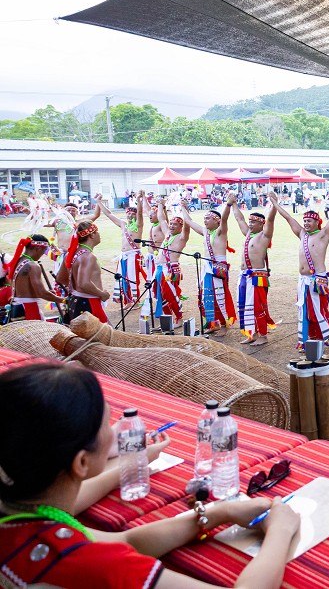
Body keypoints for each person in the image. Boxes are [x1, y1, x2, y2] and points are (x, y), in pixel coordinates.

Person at [0, 362, 300, 589]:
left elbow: (126, 539)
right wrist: (280, 531)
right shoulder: (90, 563)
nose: (116, 429)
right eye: (106, 424)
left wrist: (219, 511)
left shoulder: (17, 512)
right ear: (81, 462)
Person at [269, 194, 329, 351]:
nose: (306, 223)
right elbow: (288, 218)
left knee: (317, 310)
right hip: (303, 280)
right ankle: (306, 340)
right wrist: (275, 204)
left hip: (317, 280)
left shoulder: (323, 234)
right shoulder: (302, 234)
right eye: (304, 221)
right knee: (304, 311)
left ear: (317, 222)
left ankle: (320, 340)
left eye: (309, 221)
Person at [182, 194, 238, 336]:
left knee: (220, 296)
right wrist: (183, 207)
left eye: (208, 218)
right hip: (207, 268)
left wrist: (229, 204)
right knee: (206, 296)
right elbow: (188, 220)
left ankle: (225, 325)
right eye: (204, 218)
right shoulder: (205, 231)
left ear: (216, 221)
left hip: (217, 267)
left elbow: (225, 218)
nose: (205, 221)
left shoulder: (220, 231)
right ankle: (213, 323)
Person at [231, 199, 277, 346]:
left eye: (253, 222)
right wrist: (233, 204)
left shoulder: (264, 236)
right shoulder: (248, 234)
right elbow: (239, 218)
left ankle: (263, 335)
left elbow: (270, 220)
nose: (250, 224)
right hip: (244, 276)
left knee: (258, 306)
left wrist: (274, 204)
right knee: (244, 306)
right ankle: (253, 334)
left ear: (261, 224)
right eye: (249, 221)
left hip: (257, 276)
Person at [96, 191, 146, 309]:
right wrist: (98, 202)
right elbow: (109, 214)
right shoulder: (123, 224)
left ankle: (135, 301)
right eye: (128, 214)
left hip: (133, 255)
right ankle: (128, 301)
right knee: (123, 278)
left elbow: (140, 214)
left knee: (132, 278)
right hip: (123, 255)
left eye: (132, 214)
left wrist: (138, 200)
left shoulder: (138, 225)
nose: (130, 216)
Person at [55, 220, 110, 323]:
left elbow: (60, 278)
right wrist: (102, 294)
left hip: (75, 301)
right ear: (92, 235)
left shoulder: (70, 254)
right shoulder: (88, 256)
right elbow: (84, 283)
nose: (99, 234)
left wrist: (76, 289)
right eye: (97, 232)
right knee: (98, 337)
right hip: (89, 303)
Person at [148, 198, 189, 325]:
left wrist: (184, 208)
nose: (171, 226)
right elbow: (161, 219)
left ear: (180, 227)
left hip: (170, 269)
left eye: (175, 224)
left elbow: (187, 225)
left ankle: (179, 317)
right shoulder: (167, 234)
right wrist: (160, 204)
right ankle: (167, 317)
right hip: (159, 268)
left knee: (170, 294)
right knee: (159, 293)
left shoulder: (181, 238)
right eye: (171, 224)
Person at [6, 234, 64, 320]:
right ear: (37, 249)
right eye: (43, 251)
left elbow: (24, 287)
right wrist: (63, 300)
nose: (43, 254)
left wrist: (49, 293)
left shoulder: (17, 261)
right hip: (28, 309)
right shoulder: (32, 266)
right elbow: (41, 293)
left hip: (16, 307)